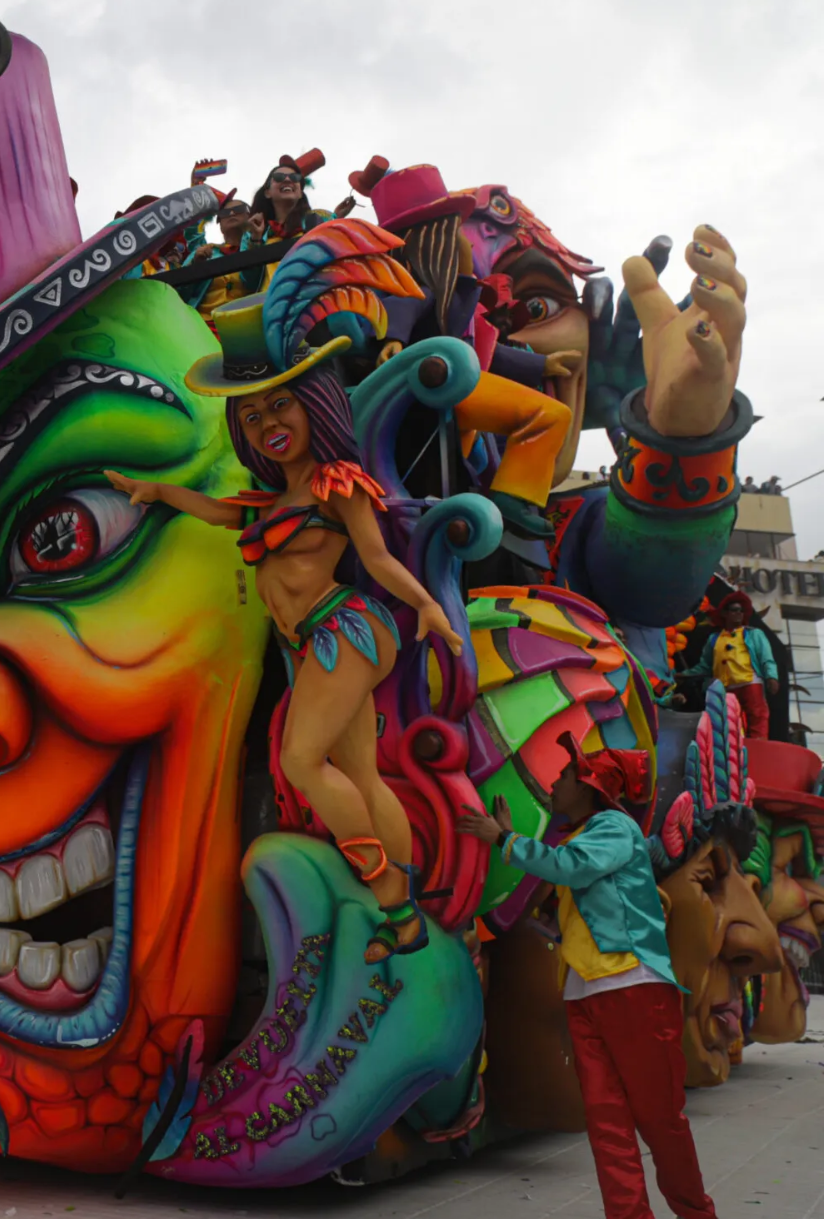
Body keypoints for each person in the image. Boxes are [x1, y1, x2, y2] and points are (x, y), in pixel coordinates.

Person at [108, 292, 464, 962]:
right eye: (253, 412)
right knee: (363, 773)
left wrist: (426, 604)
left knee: (302, 761)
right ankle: (410, 919)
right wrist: (156, 493)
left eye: (282, 403)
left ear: (315, 405)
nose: (269, 420)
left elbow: (379, 556)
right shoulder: (268, 502)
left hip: (344, 630)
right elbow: (216, 513)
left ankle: (387, 889)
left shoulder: (337, 484)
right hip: (313, 645)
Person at [458, 740, 717, 1219]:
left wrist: (502, 839)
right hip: (587, 989)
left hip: (632, 985)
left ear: (590, 784)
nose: (555, 784)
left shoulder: (615, 827)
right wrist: (513, 841)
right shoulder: (586, 834)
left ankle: (697, 1214)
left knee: (658, 1119)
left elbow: (570, 869)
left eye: (563, 777)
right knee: (607, 1123)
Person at [697, 591, 779, 738]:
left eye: (741, 611)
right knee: (726, 721)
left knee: (757, 715)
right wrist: (685, 675)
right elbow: (704, 666)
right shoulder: (714, 639)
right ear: (725, 613)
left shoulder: (754, 634)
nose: (739, 613)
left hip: (750, 682)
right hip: (724, 687)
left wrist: (771, 676)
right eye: (735, 610)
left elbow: (766, 658)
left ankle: (759, 746)